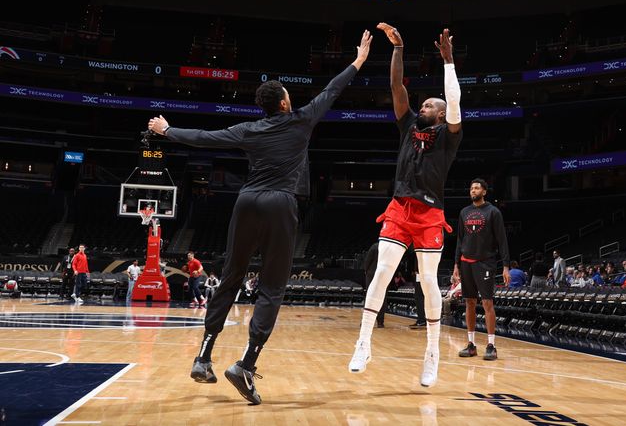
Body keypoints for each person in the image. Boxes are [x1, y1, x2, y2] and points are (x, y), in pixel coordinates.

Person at [147, 29, 373, 404]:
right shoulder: (301, 120)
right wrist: (358, 61)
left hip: (246, 200)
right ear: (284, 104)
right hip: (280, 203)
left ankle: (204, 356)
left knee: (231, 276)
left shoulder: (248, 129)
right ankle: (246, 365)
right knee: (272, 286)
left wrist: (167, 129)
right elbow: (332, 91)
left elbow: (206, 137)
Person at [349, 24, 463, 389]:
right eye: (424, 103)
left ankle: (432, 353)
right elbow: (398, 88)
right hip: (400, 208)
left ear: (441, 115)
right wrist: (397, 48)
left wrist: (448, 64)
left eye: (431, 105)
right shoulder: (408, 125)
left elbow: (455, 102)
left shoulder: (449, 136)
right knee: (382, 271)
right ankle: (363, 341)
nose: (424, 105)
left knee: (429, 281)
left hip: (430, 213)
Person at [452, 179, 510, 361]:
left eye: (476, 188)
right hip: (465, 262)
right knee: (469, 302)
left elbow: (502, 240)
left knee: (487, 303)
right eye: (471, 188)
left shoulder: (493, 212)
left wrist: (506, 266)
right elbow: (460, 240)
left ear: (484, 192)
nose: (473, 190)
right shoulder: (464, 212)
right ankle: (471, 345)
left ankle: (491, 346)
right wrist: (456, 265)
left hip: (485, 262)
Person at [364, 242, 390, 328]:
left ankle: (367, 322)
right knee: (382, 298)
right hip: (384, 274)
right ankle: (380, 322)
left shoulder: (374, 246)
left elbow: (367, 260)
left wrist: (366, 270)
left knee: (370, 297)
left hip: (372, 274)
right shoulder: (388, 249)